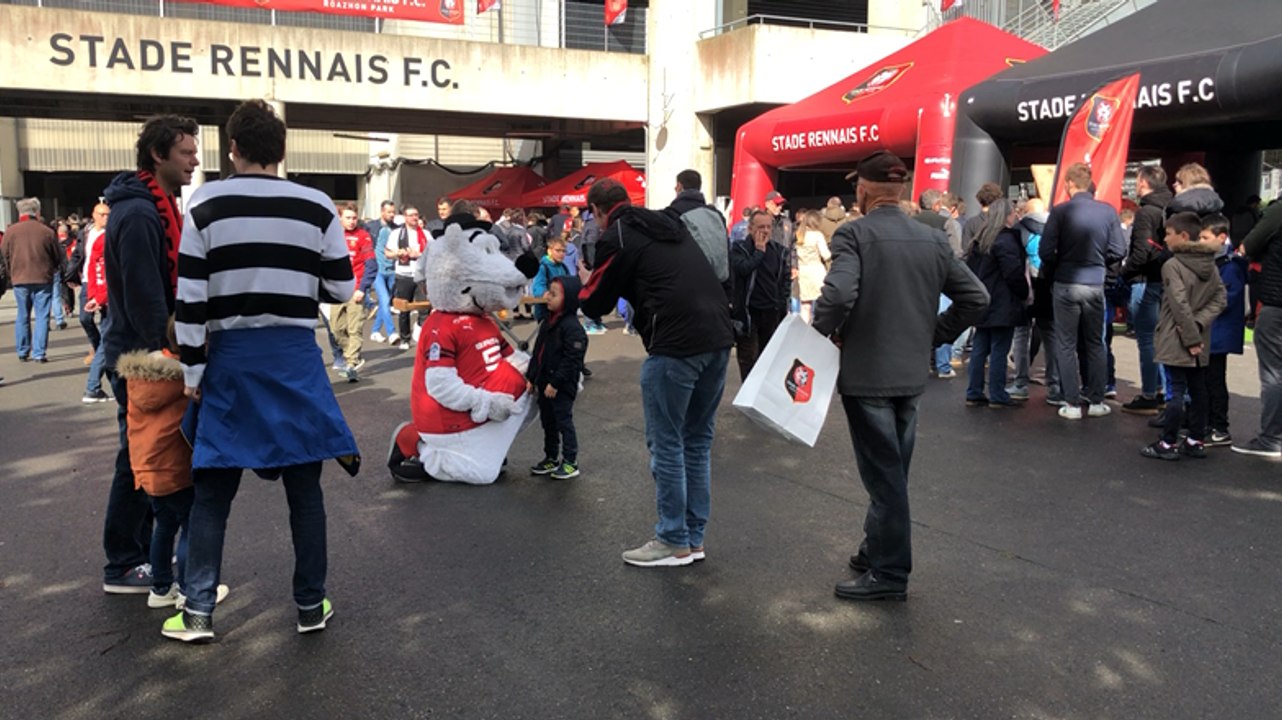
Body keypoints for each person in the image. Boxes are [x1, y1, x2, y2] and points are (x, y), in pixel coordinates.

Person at [166, 99, 359, 643]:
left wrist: (193, 376)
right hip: (295, 358)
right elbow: (342, 289)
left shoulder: (204, 205)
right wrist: (300, 287)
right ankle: (309, 605)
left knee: (212, 492)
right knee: (305, 489)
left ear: (233, 148)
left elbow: (192, 301)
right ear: (281, 150)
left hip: (229, 362)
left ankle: (198, 611)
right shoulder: (318, 206)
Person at [812, 150, 988, 601]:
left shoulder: (854, 234)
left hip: (867, 372)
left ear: (864, 190)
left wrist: (818, 335)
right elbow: (976, 298)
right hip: (910, 373)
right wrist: (932, 335)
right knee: (893, 471)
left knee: (884, 476)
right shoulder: (930, 238)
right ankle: (875, 548)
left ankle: (889, 573)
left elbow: (837, 295)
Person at [579, 177, 734, 568]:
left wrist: (584, 283)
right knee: (696, 443)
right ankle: (693, 538)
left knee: (667, 444)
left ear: (598, 210)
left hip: (676, 342)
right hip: (718, 334)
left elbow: (596, 302)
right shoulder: (665, 221)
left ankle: (671, 539)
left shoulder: (617, 233)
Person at [98, 114, 200, 595]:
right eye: (185, 151)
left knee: (142, 454)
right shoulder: (140, 214)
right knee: (140, 457)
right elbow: (145, 300)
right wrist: (172, 352)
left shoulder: (154, 206)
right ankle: (122, 561)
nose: (195, 159)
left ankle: (137, 553)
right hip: (140, 355)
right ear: (158, 155)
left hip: (141, 348)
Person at [1038, 163, 1127, 419]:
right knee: (1094, 343)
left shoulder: (1060, 211)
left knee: (1066, 344)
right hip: (1094, 283)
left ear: (1069, 184)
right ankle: (1097, 400)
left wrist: (1059, 264)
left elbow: (1046, 251)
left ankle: (1072, 403)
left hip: (1066, 282)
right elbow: (1119, 250)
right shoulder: (1108, 212)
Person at [1140, 212, 1226, 460]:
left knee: (1175, 391)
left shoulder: (1173, 265)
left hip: (1178, 336)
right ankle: (1195, 438)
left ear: (1183, 235)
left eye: (1168, 234)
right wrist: (1199, 325)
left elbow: (1179, 303)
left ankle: (1168, 443)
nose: (1165, 239)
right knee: (1199, 390)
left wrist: (1190, 336)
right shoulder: (1210, 263)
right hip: (1198, 335)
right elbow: (1220, 299)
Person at [963, 198, 1028, 407]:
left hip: (983, 300)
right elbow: (1013, 272)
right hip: (1003, 301)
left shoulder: (979, 240)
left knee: (980, 347)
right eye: (1014, 213)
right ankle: (998, 393)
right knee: (1000, 349)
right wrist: (1024, 292)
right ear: (1007, 215)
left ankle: (974, 391)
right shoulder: (1006, 240)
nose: (1016, 216)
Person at [1120, 166, 1173, 415]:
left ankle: (1150, 393)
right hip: (1169, 278)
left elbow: (1141, 252)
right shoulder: (1171, 207)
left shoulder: (1146, 212)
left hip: (1146, 279)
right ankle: (1164, 391)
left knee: (1146, 339)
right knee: (1162, 338)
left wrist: (1123, 274)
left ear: (1143, 182)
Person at [1234, 197, 1282, 458]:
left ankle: (1272, 438)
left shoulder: (1278, 212)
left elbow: (1250, 244)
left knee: (1274, 372)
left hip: (1278, 301)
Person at [527, 277, 587, 480]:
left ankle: (570, 461)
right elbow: (538, 353)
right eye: (548, 292)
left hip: (560, 385)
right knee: (548, 422)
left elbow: (573, 359)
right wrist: (532, 377)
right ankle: (551, 456)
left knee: (563, 422)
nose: (548, 297)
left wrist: (556, 382)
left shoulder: (572, 327)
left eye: (554, 294)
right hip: (545, 382)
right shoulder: (548, 322)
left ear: (568, 298)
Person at [731, 209, 791, 380]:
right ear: (750, 229)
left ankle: (762, 401)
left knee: (768, 360)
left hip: (771, 312)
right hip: (749, 313)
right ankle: (748, 399)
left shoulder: (778, 251)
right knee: (749, 360)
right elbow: (742, 269)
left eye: (768, 227)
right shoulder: (740, 248)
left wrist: (781, 305)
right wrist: (759, 252)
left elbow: (784, 281)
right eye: (760, 227)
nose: (765, 231)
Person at [2, 197, 61, 364]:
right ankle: (39, 352)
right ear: (37, 212)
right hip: (43, 277)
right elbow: (57, 255)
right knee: (42, 315)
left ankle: (22, 350)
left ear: (20, 212)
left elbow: (4, 255)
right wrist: (54, 269)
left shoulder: (11, 231)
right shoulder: (46, 231)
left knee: (22, 314)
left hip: (19, 277)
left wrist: (9, 272)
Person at [1205, 214, 1247, 447]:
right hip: (1214, 330)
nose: (1201, 242)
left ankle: (1220, 426)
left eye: (1205, 237)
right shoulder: (1218, 263)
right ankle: (1210, 422)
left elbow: (1226, 299)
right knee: (1209, 379)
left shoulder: (1229, 267)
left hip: (1219, 332)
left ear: (1221, 238)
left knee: (1215, 380)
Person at [330, 204, 377, 381]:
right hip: (337, 289)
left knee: (354, 328)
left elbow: (371, 265)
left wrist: (362, 288)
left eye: (354, 218)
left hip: (355, 289)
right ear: (340, 218)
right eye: (348, 218)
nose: (351, 221)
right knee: (336, 329)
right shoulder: (333, 235)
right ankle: (352, 355)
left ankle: (351, 363)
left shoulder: (363, 237)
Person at [387, 205, 427, 349]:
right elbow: (388, 253)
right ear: (405, 217)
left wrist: (419, 255)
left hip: (421, 275)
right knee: (404, 308)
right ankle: (405, 338)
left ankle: (423, 335)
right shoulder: (396, 234)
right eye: (410, 215)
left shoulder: (425, 234)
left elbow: (434, 254)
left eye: (416, 215)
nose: (414, 218)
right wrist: (398, 253)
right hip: (403, 275)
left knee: (425, 308)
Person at [366, 200, 400, 344]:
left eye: (393, 212)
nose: (392, 215)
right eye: (389, 212)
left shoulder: (397, 229)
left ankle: (375, 331)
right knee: (385, 300)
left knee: (384, 303)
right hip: (377, 271)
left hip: (392, 270)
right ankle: (392, 332)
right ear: (382, 212)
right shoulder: (371, 227)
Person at [794, 210, 831, 324]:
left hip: (803, 272)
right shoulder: (817, 235)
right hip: (816, 272)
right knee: (821, 302)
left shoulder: (798, 235)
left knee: (805, 305)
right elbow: (826, 255)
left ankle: (804, 329)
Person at [531, 236, 572, 322]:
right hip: (546, 311)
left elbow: (569, 283)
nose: (561, 254)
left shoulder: (564, 267)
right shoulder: (543, 267)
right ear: (549, 251)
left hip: (562, 309)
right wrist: (544, 293)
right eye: (557, 250)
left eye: (563, 251)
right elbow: (538, 286)